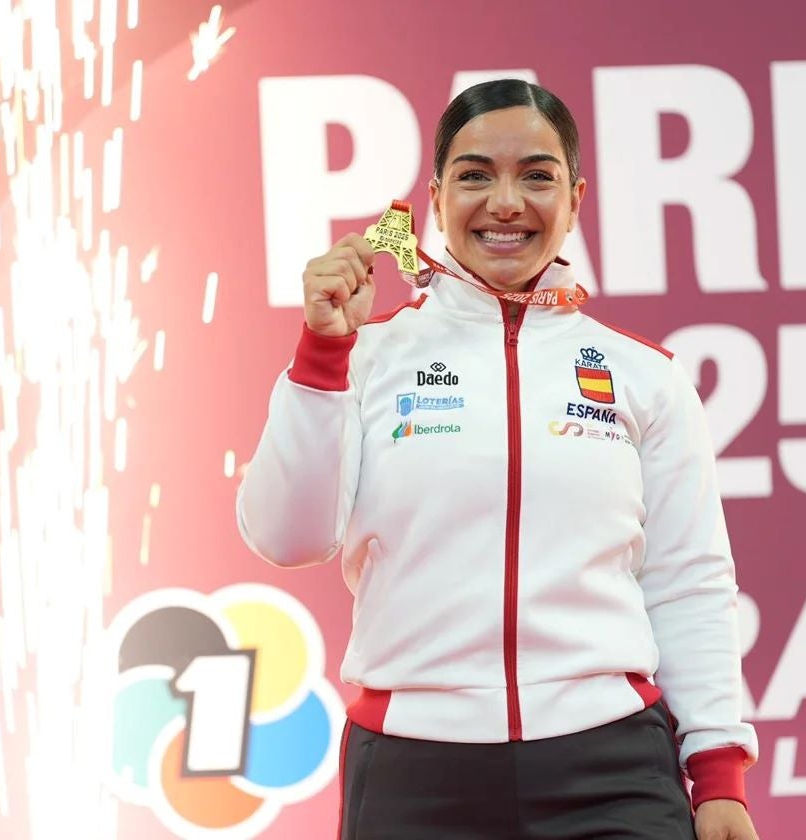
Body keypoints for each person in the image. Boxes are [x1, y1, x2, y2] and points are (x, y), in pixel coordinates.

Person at [237, 79, 760, 840]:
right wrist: (324, 355)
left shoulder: (643, 374)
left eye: (537, 176)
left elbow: (688, 580)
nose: (506, 202)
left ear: (576, 198)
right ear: (437, 196)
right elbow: (287, 538)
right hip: (415, 772)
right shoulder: (368, 356)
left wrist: (718, 773)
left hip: (611, 770)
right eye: (476, 174)